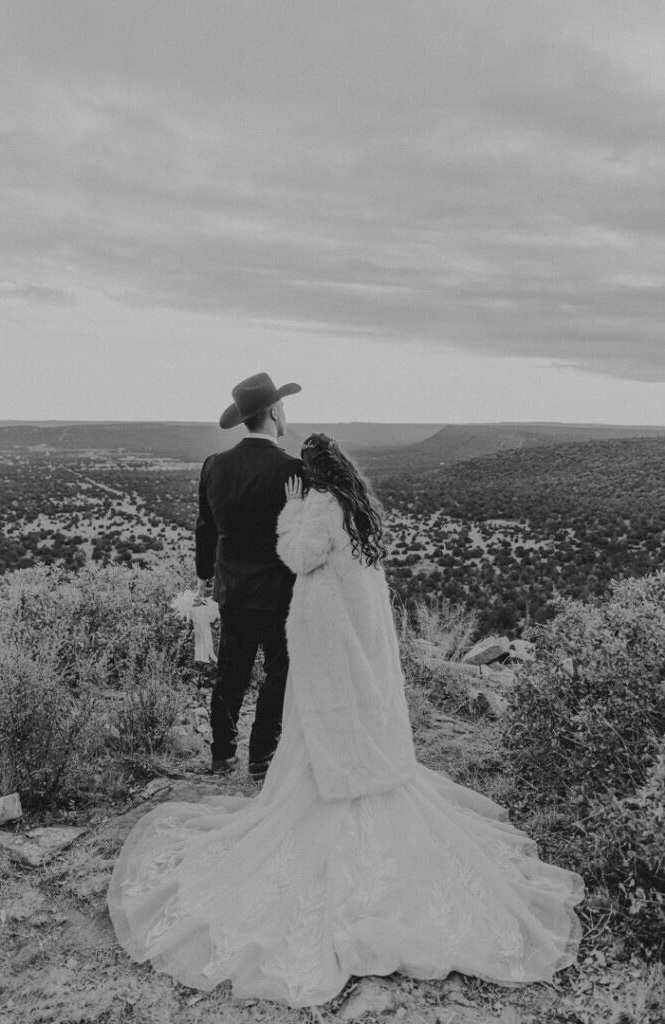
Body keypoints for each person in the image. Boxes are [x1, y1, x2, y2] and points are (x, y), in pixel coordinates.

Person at [108, 433, 582, 1008]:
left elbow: (299, 556)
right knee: (322, 709)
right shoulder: (356, 508)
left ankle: (266, 765)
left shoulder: (314, 505)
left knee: (293, 706)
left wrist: (290, 512)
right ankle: (303, 764)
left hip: (321, 631)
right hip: (354, 634)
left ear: (311, 474)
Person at [195, 372, 303, 780]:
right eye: (283, 407)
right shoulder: (293, 470)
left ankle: (222, 754)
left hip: (233, 590)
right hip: (281, 592)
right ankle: (262, 757)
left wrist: (204, 577)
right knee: (279, 673)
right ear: (273, 412)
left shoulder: (214, 465)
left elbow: (205, 528)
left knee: (231, 673)